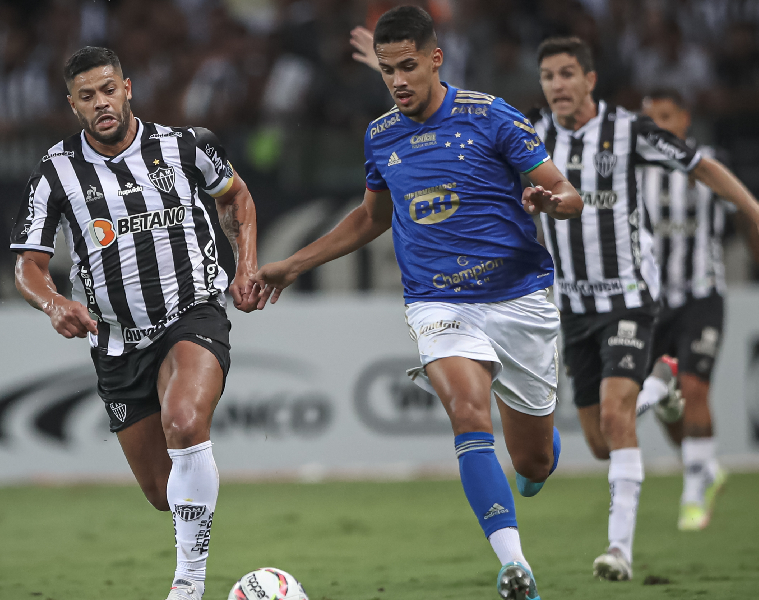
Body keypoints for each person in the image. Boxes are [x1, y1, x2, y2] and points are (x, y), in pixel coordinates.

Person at [254, 7, 582, 600]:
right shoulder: (381, 136)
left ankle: (538, 451)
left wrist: (550, 201)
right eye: (387, 71)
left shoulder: (490, 116)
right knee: (466, 411)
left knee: (533, 462)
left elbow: (567, 192)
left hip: (518, 298)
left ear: (436, 59)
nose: (398, 81)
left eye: (408, 66)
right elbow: (370, 219)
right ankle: (514, 566)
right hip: (437, 300)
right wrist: (292, 264)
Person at [10, 46, 261, 600]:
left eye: (107, 89)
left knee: (186, 421)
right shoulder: (55, 172)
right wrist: (54, 303)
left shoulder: (187, 146)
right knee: (161, 491)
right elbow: (29, 265)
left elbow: (236, 197)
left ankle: (187, 587)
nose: (100, 103)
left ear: (128, 88)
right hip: (118, 342)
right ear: (71, 105)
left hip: (191, 310)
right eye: (86, 96)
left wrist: (244, 269)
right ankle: (200, 526)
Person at [531, 37, 759, 581]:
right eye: (548, 76)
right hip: (573, 306)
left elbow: (699, 165)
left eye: (567, 74)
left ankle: (619, 551)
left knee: (615, 416)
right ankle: (664, 385)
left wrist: (752, 206)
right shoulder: (530, 135)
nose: (558, 85)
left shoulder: (629, 130)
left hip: (629, 299)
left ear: (590, 79)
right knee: (599, 441)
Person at [637, 88, 737, 531]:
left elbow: (741, 213)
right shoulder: (634, 168)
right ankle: (702, 469)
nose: (657, 125)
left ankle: (695, 491)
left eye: (665, 116)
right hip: (652, 300)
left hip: (702, 292)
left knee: (694, 386)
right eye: (649, 118)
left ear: (684, 120)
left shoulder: (710, 162)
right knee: (665, 402)